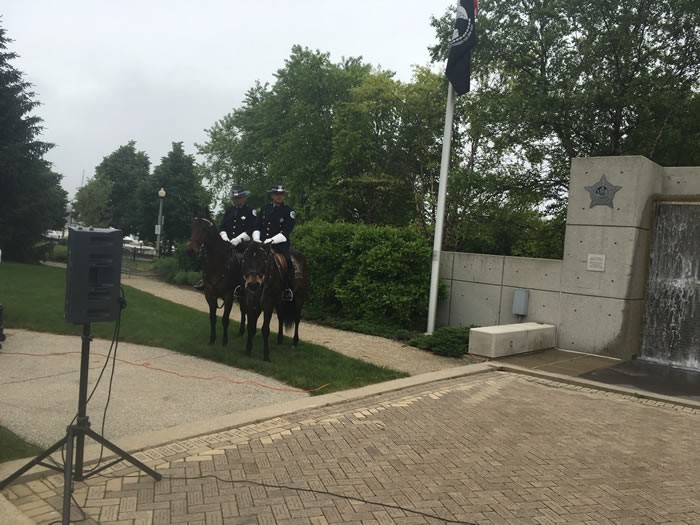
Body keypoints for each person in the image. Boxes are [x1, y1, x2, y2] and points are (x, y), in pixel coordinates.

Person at [194, 186, 256, 291]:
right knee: (213, 257)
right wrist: (225, 237)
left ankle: (243, 284)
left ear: (244, 198)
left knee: (245, 261)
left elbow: (252, 228)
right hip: (228, 243)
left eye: (239, 198)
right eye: (235, 198)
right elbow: (222, 226)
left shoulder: (250, 211)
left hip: (243, 244)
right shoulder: (229, 211)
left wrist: (238, 239)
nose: (237, 200)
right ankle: (206, 280)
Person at [253, 182, 295, 301]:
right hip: (262, 244)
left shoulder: (288, 211)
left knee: (288, 261)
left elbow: (287, 231)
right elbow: (257, 226)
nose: (279, 196)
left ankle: (288, 289)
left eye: (281, 194)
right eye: (276, 194)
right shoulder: (265, 209)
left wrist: (271, 240)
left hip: (280, 245)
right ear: (272, 195)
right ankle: (247, 284)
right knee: (249, 258)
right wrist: (257, 239)